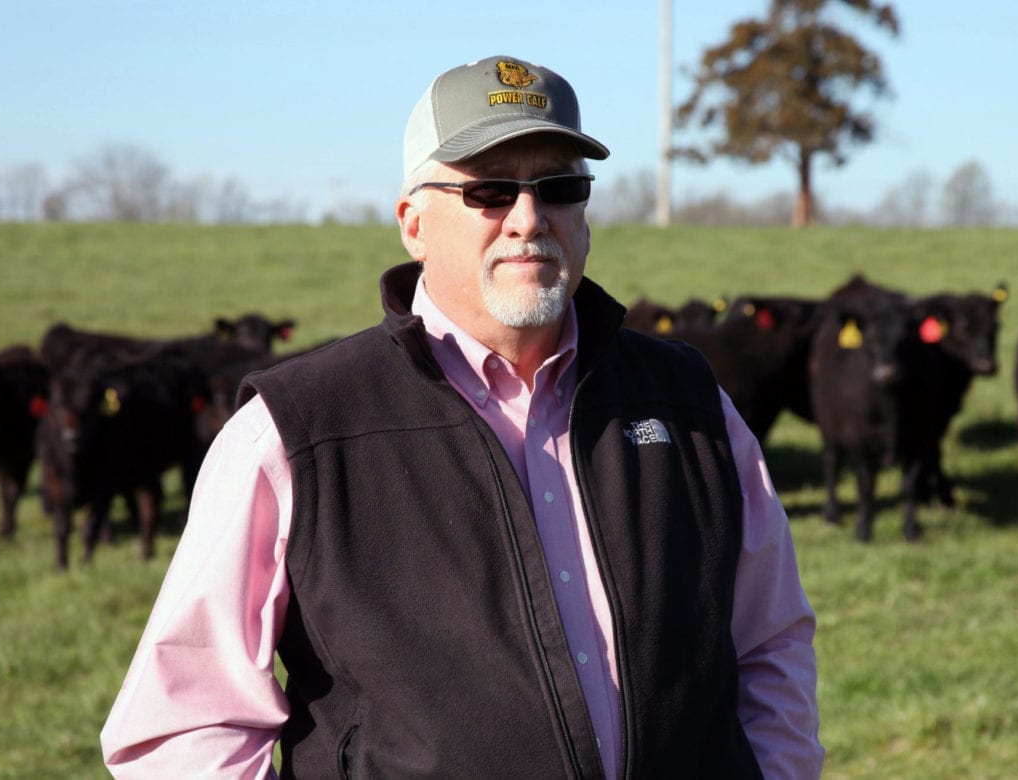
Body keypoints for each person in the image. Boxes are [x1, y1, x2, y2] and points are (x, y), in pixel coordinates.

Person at [100, 54, 824, 779]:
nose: (528, 219)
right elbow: (184, 725)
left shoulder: (687, 400)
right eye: (490, 190)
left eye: (559, 187)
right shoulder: (297, 429)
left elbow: (769, 644)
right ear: (413, 223)